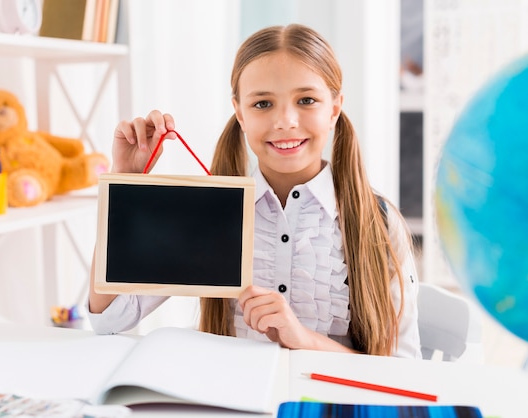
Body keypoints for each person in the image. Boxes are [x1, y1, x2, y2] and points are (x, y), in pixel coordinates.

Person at [88, 23, 421, 358]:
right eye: (263, 104)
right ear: (240, 113)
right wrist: (126, 182)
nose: (285, 121)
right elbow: (110, 317)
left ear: (334, 108)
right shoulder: (209, 211)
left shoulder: (377, 220)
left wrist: (302, 339)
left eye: (306, 100)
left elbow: (403, 368)